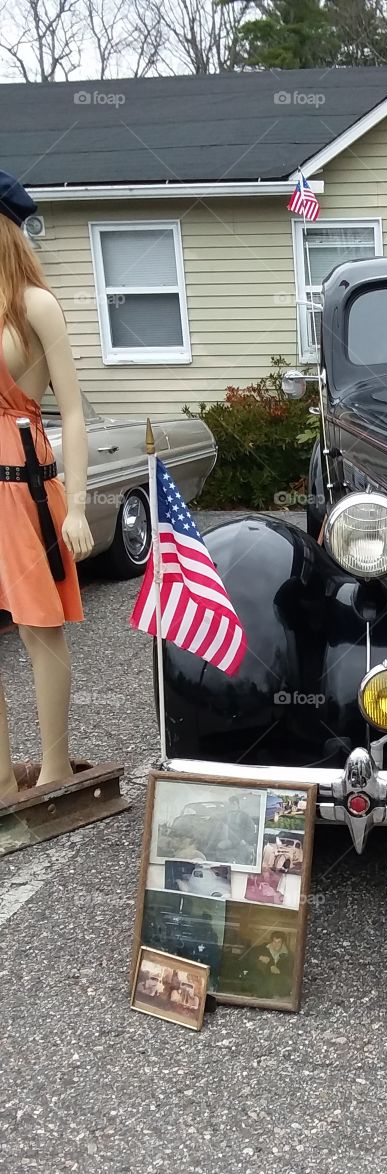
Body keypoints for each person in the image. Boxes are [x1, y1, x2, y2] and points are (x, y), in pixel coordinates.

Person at [0, 171, 93, 803]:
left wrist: (78, 507)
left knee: (40, 630)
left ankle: (56, 771)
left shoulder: (35, 304)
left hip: (23, 489)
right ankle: (2, 777)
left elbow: (75, 411)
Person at [253, 930, 292, 999]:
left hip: (278, 982)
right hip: (263, 978)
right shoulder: (262, 948)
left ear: (283, 943)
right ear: (271, 941)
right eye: (274, 942)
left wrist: (279, 971)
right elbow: (250, 954)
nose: (276, 944)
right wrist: (260, 957)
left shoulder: (288, 955)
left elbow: (290, 970)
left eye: (279, 942)